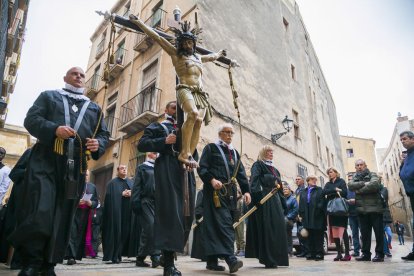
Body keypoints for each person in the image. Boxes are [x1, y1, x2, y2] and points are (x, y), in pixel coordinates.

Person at [9, 67, 109, 276]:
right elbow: (31, 120)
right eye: (75, 73)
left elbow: (103, 134)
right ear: (65, 77)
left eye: (82, 75)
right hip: (45, 160)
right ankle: (32, 262)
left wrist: (97, 143)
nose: (79, 77)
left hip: (75, 166)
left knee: (64, 215)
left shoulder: (94, 108)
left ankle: (49, 264)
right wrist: (54, 129)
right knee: (39, 210)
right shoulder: (49, 96)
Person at [129, 15, 230, 168]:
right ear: (181, 44)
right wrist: (139, 23)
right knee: (193, 114)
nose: (188, 45)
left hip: (200, 94)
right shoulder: (176, 54)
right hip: (185, 89)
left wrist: (220, 54)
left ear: (194, 43)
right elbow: (157, 37)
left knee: (199, 121)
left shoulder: (198, 57)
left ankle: (188, 153)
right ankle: (183, 152)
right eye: (185, 42)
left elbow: (212, 57)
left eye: (190, 42)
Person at [138, 101, 196, 276]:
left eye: (179, 109)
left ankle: (167, 254)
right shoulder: (158, 126)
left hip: (186, 171)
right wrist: (163, 141)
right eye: (173, 107)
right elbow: (142, 144)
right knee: (171, 215)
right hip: (167, 169)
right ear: (166, 110)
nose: (177, 111)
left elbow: (192, 149)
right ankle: (168, 264)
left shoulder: (187, 127)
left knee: (187, 216)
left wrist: (193, 159)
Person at [198, 123, 251, 273]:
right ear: (220, 134)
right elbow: (202, 168)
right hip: (215, 192)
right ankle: (230, 258)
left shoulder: (234, 152)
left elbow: (241, 174)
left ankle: (211, 261)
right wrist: (211, 180)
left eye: (231, 133)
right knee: (224, 223)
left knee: (217, 224)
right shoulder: (211, 148)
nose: (229, 135)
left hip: (231, 194)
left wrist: (246, 191)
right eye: (226, 132)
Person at [245, 145, 288, 268]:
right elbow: (254, 182)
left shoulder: (274, 169)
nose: (271, 153)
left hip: (275, 202)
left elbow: (279, 188)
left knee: (277, 228)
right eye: (268, 151)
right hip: (264, 201)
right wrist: (257, 199)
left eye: (272, 152)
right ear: (263, 152)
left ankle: (277, 258)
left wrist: (284, 205)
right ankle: (268, 259)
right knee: (267, 229)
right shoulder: (258, 165)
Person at [348, 159, 384, 262]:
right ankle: (366, 254)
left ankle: (379, 254)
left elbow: (374, 185)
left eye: (361, 165)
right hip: (361, 210)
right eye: (357, 165)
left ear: (365, 165)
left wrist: (358, 190)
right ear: (355, 167)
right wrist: (365, 183)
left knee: (378, 233)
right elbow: (350, 186)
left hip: (375, 209)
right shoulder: (354, 177)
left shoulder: (372, 174)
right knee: (365, 235)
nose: (359, 167)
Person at [131, 152, 161, 268]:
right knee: (153, 226)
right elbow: (137, 186)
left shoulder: (160, 167)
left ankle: (140, 258)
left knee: (147, 231)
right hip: (145, 201)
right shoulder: (142, 167)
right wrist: (135, 202)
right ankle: (156, 256)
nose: (156, 154)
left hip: (158, 203)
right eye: (154, 152)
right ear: (149, 154)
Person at [102, 165, 135, 263]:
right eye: (122, 168)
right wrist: (121, 194)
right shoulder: (112, 183)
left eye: (125, 168)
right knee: (117, 233)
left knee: (125, 232)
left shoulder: (131, 182)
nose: (124, 169)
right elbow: (108, 198)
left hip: (128, 212)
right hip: (116, 213)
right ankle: (114, 255)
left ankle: (119, 253)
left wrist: (131, 193)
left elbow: (136, 194)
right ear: (117, 170)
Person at [65, 170, 99, 264]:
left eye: (87, 175)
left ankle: (75, 255)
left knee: (80, 235)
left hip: (85, 214)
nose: (85, 176)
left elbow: (96, 201)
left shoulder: (92, 186)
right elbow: (67, 198)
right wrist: (76, 201)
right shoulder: (74, 184)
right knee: (72, 233)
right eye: (84, 175)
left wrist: (91, 203)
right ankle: (70, 256)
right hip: (74, 212)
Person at [323, 167, 351, 261]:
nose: (329, 174)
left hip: (341, 209)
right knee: (334, 232)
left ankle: (347, 254)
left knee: (343, 231)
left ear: (335, 172)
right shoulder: (328, 184)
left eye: (331, 172)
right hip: (331, 210)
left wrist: (333, 191)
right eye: (328, 173)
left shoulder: (341, 181)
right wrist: (335, 190)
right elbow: (324, 192)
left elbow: (345, 193)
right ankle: (339, 253)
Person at [298, 176, 326, 261]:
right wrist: (301, 214)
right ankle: (311, 253)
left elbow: (322, 202)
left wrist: (318, 210)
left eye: (315, 180)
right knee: (308, 235)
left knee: (318, 235)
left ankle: (319, 253)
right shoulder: (303, 191)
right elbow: (301, 203)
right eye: (312, 180)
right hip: (307, 216)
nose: (314, 181)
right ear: (308, 181)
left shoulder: (319, 190)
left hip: (317, 216)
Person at [399, 131, 414, 261]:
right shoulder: (407, 156)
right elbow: (403, 173)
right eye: (401, 140)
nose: (403, 141)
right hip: (411, 193)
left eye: (405, 139)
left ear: (413, 139)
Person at [294, 175, 308, 257]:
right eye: (296, 179)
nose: (297, 180)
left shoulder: (304, 190)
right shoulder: (297, 190)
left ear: (303, 181)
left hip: (302, 215)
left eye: (298, 179)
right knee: (299, 233)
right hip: (297, 215)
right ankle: (302, 250)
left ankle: (306, 250)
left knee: (304, 233)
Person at [283, 182, 298, 256]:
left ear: (289, 190)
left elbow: (295, 210)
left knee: (287, 235)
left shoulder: (293, 199)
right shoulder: (282, 199)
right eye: (283, 189)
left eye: (286, 189)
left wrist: (287, 217)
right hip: (282, 219)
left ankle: (289, 251)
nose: (284, 190)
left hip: (289, 220)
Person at [190, 188, 205, 261]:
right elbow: (198, 207)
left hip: (207, 218)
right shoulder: (201, 192)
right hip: (202, 219)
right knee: (202, 238)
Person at [381, 185, 393, 258]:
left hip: (384, 216)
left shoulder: (383, 189)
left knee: (387, 234)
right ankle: (385, 251)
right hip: (379, 215)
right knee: (381, 234)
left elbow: (382, 198)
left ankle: (386, 251)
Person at [234, 187, 246, 257]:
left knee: (241, 235)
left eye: (237, 193)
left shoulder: (241, 201)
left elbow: (242, 211)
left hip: (240, 219)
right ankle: (238, 249)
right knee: (236, 236)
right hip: (235, 220)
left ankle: (242, 249)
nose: (236, 194)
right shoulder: (235, 201)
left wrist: (240, 218)